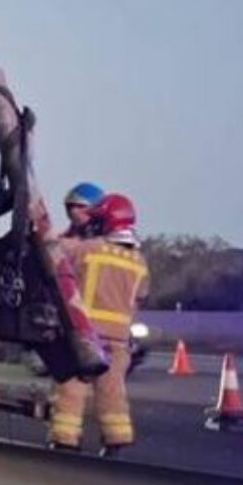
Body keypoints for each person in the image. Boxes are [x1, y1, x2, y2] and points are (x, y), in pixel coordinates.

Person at [49, 193, 149, 456]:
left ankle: (64, 441)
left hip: (87, 335)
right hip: (119, 340)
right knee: (112, 391)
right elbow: (139, 298)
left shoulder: (88, 250)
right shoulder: (140, 263)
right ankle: (116, 439)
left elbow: (55, 251)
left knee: (71, 387)